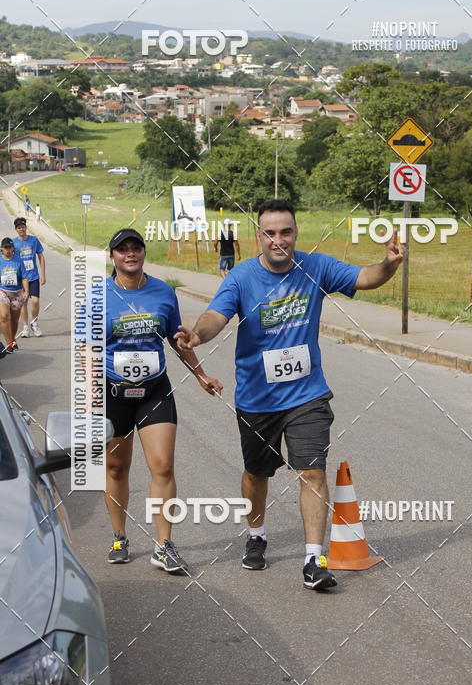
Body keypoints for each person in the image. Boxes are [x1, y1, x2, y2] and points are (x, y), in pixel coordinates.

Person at [176, 199, 403, 591]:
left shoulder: (316, 267)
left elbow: (365, 278)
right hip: (256, 399)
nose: (278, 240)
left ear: (295, 234)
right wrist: (197, 334)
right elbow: (216, 316)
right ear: (258, 237)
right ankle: (256, 533)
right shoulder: (241, 278)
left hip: (307, 394)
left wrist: (390, 265)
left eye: (286, 232)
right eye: (270, 233)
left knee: (312, 470)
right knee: (256, 474)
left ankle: (314, 558)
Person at [79, 228, 223, 572]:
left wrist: (201, 374)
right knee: (116, 466)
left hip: (154, 390)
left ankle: (164, 545)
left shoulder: (163, 292)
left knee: (163, 465)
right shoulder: (98, 295)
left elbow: (178, 340)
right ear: (112, 257)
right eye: (122, 249)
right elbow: (89, 348)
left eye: (136, 248)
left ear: (143, 253)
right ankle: (119, 536)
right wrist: (90, 395)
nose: (130, 254)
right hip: (114, 392)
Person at [13, 217, 45, 337]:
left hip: (33, 276)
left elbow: (41, 256)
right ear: (16, 229)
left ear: (26, 227)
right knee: (24, 302)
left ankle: (34, 323)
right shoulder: (14, 243)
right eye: (19, 227)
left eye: (23, 227)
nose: (21, 229)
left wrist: (43, 274)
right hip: (21, 278)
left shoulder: (34, 240)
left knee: (35, 301)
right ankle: (25, 327)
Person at [0, 237, 29, 354]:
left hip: (17, 293)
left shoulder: (19, 261)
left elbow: (24, 277)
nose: (8, 250)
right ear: (1, 249)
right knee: (4, 317)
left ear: (13, 248)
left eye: (10, 247)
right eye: (5, 247)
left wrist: (26, 291)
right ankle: (9, 345)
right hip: (3, 291)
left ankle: (12, 339)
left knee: (14, 320)